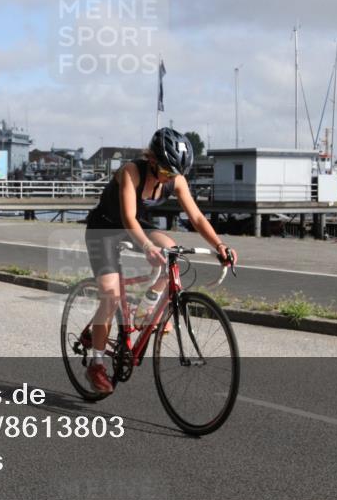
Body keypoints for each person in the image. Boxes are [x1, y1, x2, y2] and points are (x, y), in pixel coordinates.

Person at [82, 127, 237, 394]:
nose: (170, 178)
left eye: (175, 174)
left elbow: (198, 218)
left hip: (136, 226)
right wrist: (147, 246)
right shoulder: (131, 172)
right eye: (166, 171)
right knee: (110, 295)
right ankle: (96, 364)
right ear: (152, 159)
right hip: (104, 230)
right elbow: (128, 218)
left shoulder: (175, 180)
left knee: (173, 252)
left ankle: (148, 305)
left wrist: (220, 245)